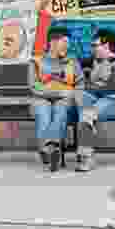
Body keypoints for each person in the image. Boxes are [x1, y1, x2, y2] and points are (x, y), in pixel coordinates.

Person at [74, 29, 115, 172]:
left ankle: (86, 157)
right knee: (80, 99)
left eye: (95, 45)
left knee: (86, 113)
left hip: (113, 102)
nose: (92, 48)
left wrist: (88, 87)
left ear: (106, 46)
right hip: (95, 101)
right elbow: (72, 65)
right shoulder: (91, 61)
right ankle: (82, 152)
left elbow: (111, 88)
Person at [31, 24, 84, 172]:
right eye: (65, 42)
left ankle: (49, 149)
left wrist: (72, 95)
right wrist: (58, 93)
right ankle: (50, 149)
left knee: (61, 109)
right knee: (43, 110)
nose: (68, 46)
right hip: (41, 99)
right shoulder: (36, 61)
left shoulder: (72, 62)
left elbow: (80, 85)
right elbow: (34, 88)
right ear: (53, 42)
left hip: (66, 100)